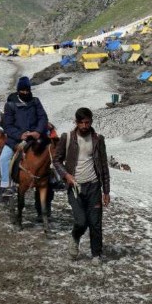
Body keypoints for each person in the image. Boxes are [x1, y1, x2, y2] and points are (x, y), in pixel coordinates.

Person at [53, 107, 110, 263]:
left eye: (88, 122)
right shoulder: (68, 138)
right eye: (82, 123)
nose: (85, 126)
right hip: (75, 187)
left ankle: (96, 254)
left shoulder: (98, 139)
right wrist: (66, 175)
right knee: (81, 221)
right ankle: (75, 237)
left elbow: (103, 165)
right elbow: (56, 160)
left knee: (95, 222)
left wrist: (106, 191)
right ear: (76, 122)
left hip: (93, 186)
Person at [0, 76, 48, 196]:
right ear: (18, 90)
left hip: (35, 136)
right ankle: (6, 185)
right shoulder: (10, 105)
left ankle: (54, 178)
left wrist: (37, 131)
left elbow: (43, 117)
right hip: (16, 138)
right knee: (4, 158)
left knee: (51, 152)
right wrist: (20, 135)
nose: (25, 92)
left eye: (27, 90)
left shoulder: (35, 101)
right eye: (22, 90)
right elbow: (8, 125)